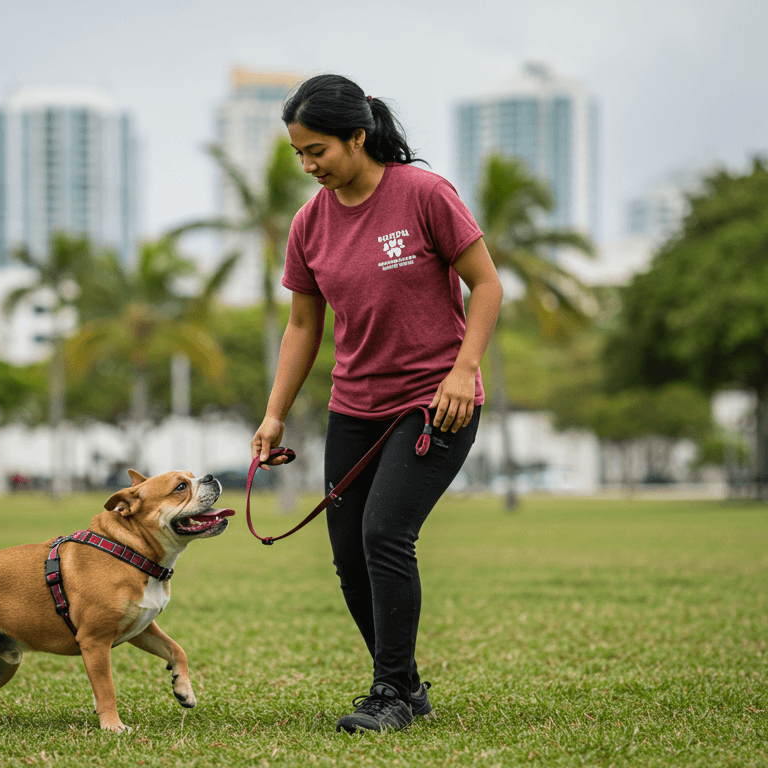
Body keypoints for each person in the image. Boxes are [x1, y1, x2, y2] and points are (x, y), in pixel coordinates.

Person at [251, 74, 503, 733]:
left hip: (434, 400)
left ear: (357, 137)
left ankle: (390, 692)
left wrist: (462, 370)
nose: (308, 166)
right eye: (299, 155)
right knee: (346, 553)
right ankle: (406, 684)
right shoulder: (310, 223)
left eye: (317, 151)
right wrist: (275, 413)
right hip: (354, 407)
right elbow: (303, 326)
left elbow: (486, 285)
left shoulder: (422, 193)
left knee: (385, 534)